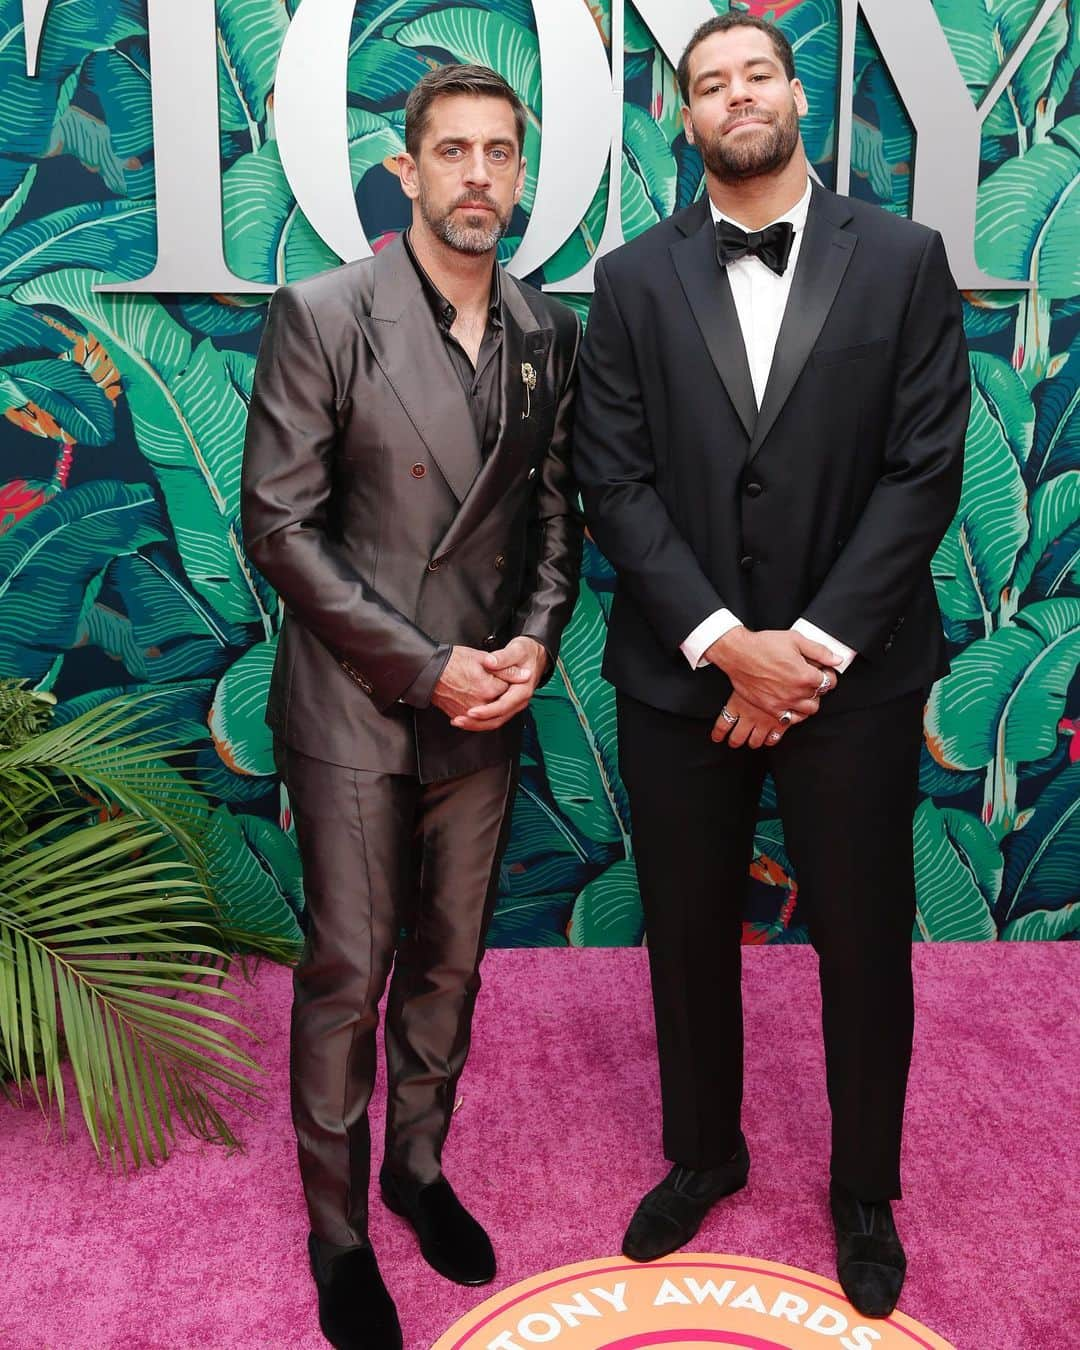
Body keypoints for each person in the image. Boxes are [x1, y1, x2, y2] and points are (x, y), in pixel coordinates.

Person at [572, 13, 968, 1319]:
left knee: (863, 941)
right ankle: (705, 1152)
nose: (736, 95)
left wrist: (809, 650)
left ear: (798, 96)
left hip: (856, 673)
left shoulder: (905, 260)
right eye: (708, 83)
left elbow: (924, 471)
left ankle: (865, 1187)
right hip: (681, 674)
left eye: (757, 72)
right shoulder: (630, 281)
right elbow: (613, 480)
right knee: (685, 935)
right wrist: (721, 641)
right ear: (682, 119)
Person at [241, 64, 582, 1350]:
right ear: (408, 170)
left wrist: (535, 648)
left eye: (501, 153)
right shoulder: (324, 312)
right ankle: (338, 1238)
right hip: (355, 708)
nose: (480, 176)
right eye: (455, 153)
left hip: (487, 710)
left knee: (449, 967)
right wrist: (427, 663)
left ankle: (416, 1170)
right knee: (346, 978)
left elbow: (555, 516)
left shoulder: (547, 331)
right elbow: (276, 526)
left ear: (521, 173)